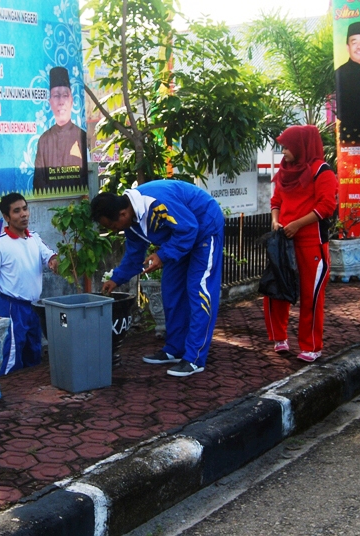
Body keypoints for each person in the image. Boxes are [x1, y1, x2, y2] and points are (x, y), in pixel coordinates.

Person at [92, 180, 224, 377]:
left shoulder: (155, 202)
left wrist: (163, 255)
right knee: (171, 290)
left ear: (122, 214)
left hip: (205, 228)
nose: (112, 230)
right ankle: (175, 349)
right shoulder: (132, 222)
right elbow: (134, 255)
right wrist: (116, 279)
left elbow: (189, 228)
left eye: (111, 225)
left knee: (199, 291)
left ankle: (195, 358)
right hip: (179, 237)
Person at [264, 125, 338, 362]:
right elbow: (276, 200)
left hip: (311, 243)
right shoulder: (285, 170)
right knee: (275, 289)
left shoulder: (321, 171)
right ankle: (279, 338)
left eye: (287, 146)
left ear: (300, 146)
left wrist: (297, 224)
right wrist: (276, 221)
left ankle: (311, 346)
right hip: (284, 242)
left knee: (311, 296)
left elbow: (327, 206)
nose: (284, 151)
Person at [0, 193, 58, 375]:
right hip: (12, 307)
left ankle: (28, 398)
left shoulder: (34, 239)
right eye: (17, 211)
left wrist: (56, 263)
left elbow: (51, 257)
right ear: (6, 217)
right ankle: (7, 396)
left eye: (25, 208)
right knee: (12, 356)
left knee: (34, 354)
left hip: (35, 307)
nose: (23, 214)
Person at [33, 66, 88, 193]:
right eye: (56, 96)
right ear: (50, 102)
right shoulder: (44, 140)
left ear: (71, 101)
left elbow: (86, 177)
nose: (61, 102)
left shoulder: (82, 136)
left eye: (65, 95)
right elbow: (38, 182)